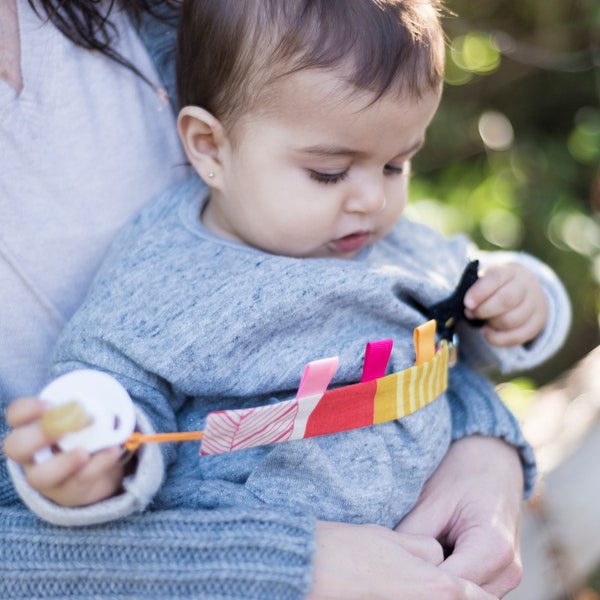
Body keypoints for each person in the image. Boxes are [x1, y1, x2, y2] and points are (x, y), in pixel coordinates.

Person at [0, 1, 560, 598]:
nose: (372, 199)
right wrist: (97, 466)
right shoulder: (159, 280)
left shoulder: (372, 237)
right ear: (209, 148)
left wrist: (527, 302)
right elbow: (113, 394)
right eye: (327, 172)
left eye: (398, 163)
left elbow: (462, 308)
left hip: (429, 562)